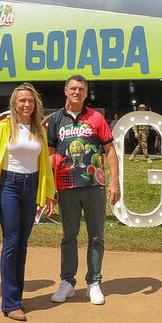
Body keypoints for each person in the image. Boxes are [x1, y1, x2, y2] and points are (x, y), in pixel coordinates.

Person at [0, 83, 56, 321]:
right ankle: (10, 303)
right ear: (14, 103)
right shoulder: (3, 128)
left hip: (30, 187)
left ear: (35, 105)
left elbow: (44, 165)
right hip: (9, 186)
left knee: (22, 243)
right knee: (11, 242)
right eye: (22, 100)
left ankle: (16, 297)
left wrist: (48, 194)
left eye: (30, 101)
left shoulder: (38, 130)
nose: (26, 104)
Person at [47, 75, 120, 305]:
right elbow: (50, 154)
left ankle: (94, 283)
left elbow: (110, 150)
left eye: (81, 89)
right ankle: (67, 282)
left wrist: (114, 182)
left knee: (96, 236)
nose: (77, 92)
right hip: (66, 187)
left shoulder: (96, 118)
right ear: (65, 91)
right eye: (73, 88)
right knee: (68, 237)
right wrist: (51, 187)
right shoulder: (56, 120)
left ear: (86, 93)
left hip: (93, 186)